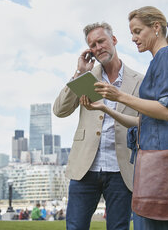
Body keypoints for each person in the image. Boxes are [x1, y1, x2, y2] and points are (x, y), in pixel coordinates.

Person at [80, 6, 168, 229]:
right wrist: (106, 108)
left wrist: (121, 96)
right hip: (154, 151)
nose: (134, 39)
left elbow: (167, 112)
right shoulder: (158, 60)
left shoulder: (165, 56)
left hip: (160, 155)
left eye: (137, 31)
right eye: (132, 34)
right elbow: (143, 120)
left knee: (159, 220)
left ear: (156, 27)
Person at [54, 22, 143, 230]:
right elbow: (60, 110)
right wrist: (79, 72)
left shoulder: (139, 80)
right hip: (85, 168)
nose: (97, 47)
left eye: (101, 41)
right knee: (75, 227)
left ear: (113, 40)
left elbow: (143, 122)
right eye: (92, 45)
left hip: (122, 170)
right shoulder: (87, 77)